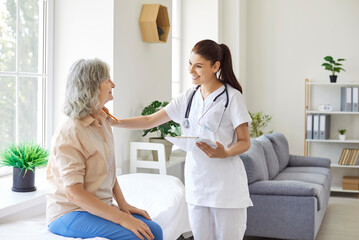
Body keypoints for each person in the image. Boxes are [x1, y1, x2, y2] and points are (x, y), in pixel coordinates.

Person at [114, 39, 253, 240]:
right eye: (189, 64)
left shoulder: (232, 98)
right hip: (197, 185)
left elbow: (245, 141)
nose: (191, 71)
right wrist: (114, 122)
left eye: (198, 66)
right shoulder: (188, 97)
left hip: (226, 189)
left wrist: (226, 152)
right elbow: (149, 120)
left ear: (215, 67)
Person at [46, 58, 163, 240]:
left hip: (97, 207)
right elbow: (74, 194)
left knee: (155, 231)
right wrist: (122, 220)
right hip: (69, 212)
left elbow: (108, 171)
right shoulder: (70, 132)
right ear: (91, 87)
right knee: (137, 237)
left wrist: (123, 204)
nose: (113, 84)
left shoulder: (102, 121)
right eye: (107, 80)